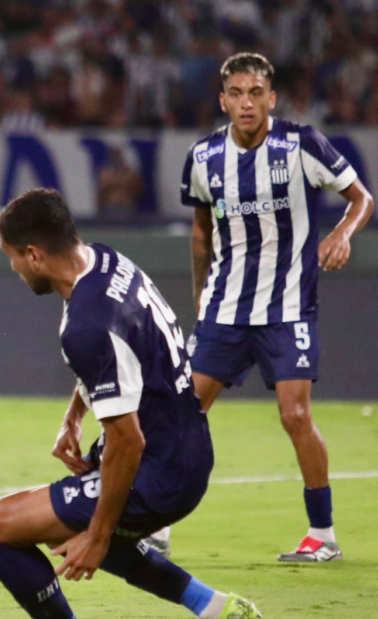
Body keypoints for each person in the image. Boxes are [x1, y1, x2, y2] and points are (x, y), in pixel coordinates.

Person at [0, 188, 260, 619]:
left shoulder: (85, 324)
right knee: (76, 525)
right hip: (188, 443)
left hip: (159, 467)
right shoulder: (108, 261)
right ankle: (216, 610)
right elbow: (121, 356)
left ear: (35, 254)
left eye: (13, 260)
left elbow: (129, 441)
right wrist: (74, 414)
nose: (14, 271)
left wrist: (100, 536)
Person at [159, 53, 375, 562]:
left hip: (288, 307)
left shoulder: (301, 144)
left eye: (256, 92)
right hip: (224, 309)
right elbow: (200, 231)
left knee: (294, 414)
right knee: (182, 412)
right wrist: (199, 298)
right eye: (236, 93)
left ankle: (321, 535)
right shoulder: (205, 157)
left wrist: (343, 233)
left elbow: (362, 198)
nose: (247, 102)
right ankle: (158, 526)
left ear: (271, 98)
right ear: (223, 101)